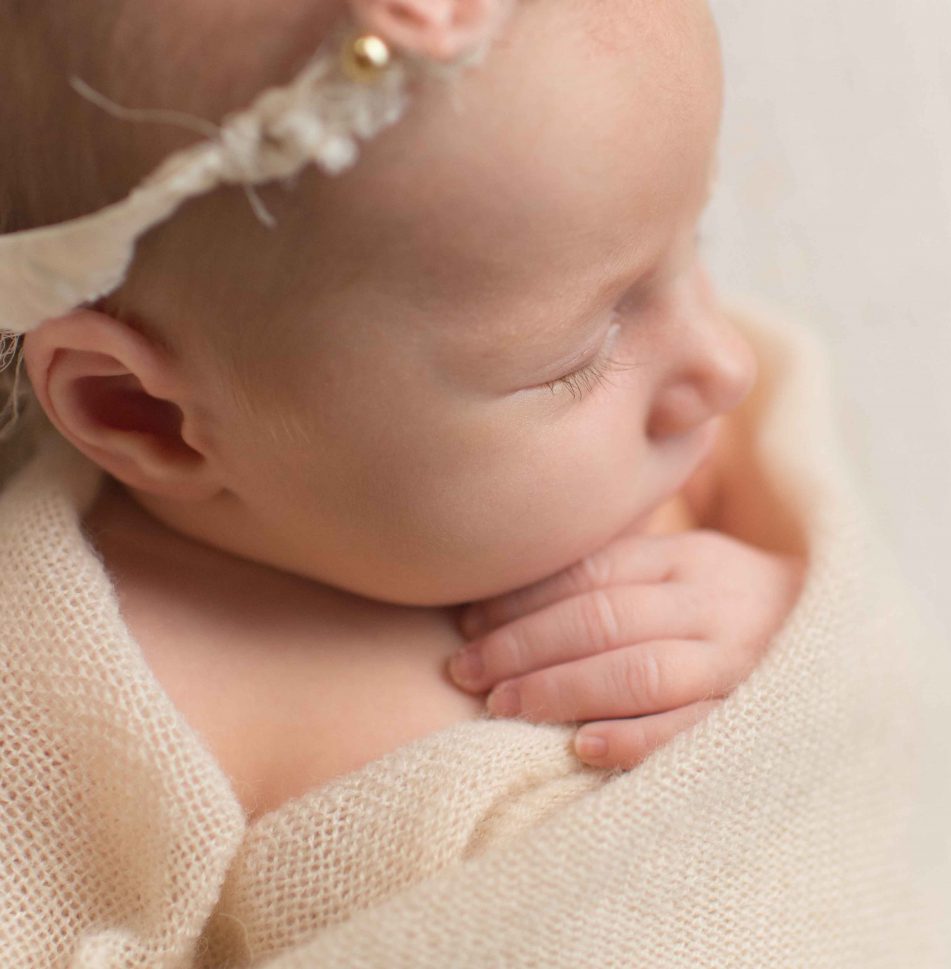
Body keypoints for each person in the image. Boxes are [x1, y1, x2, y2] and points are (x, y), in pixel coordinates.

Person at [0, 0, 805, 824]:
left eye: (696, 244)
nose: (724, 364)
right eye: (575, 357)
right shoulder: (76, 701)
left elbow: (875, 727)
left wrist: (786, 647)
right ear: (140, 413)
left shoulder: (716, 474)